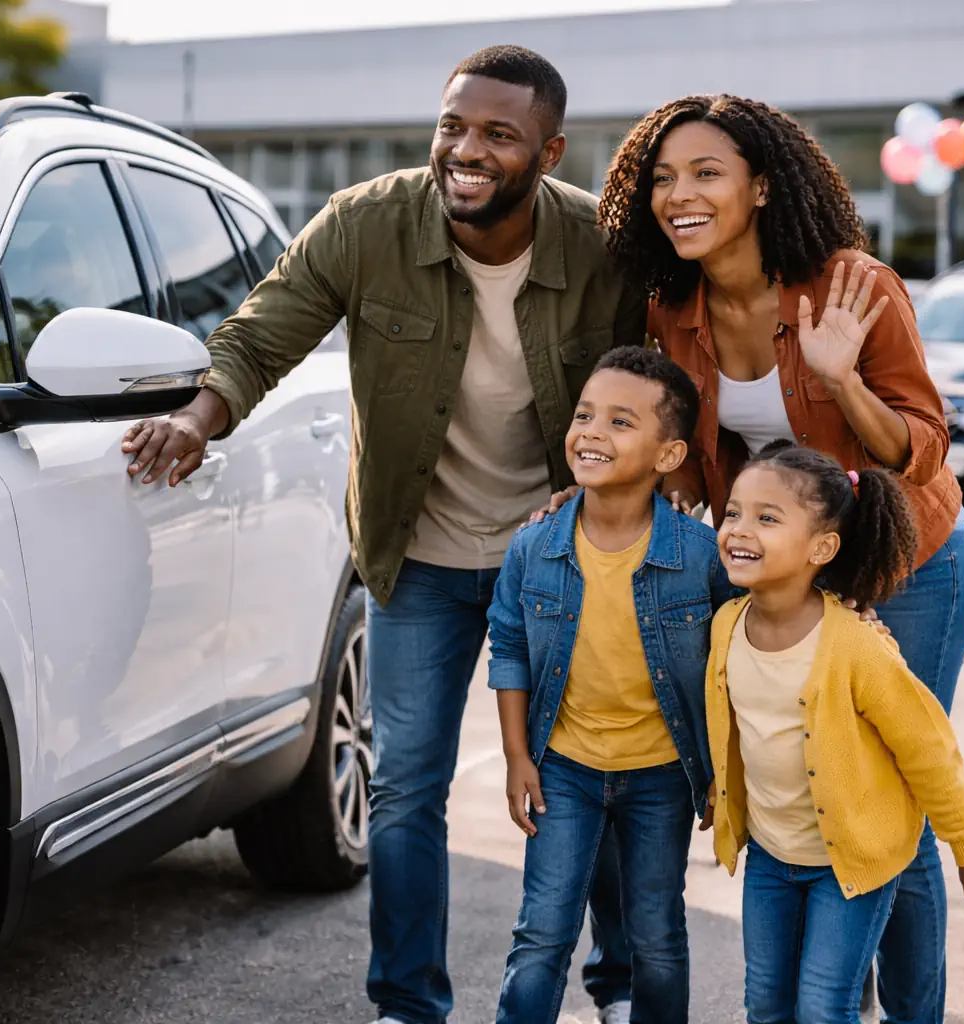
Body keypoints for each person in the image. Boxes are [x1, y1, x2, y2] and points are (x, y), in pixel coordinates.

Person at [120, 45, 647, 1024]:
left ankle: (617, 992)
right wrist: (198, 418)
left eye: (499, 134)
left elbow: (663, 375)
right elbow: (265, 329)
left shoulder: (598, 247)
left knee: (591, 784)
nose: (467, 150)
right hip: (422, 555)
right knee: (406, 787)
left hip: (563, 559)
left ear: (548, 150)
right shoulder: (367, 223)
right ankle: (408, 1002)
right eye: (454, 125)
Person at [595, 94, 964, 1023]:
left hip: (907, 566)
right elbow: (680, 444)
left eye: (705, 173)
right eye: (662, 179)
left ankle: (912, 1013)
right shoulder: (670, 306)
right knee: (797, 797)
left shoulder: (852, 285)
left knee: (893, 806)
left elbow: (918, 450)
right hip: (784, 576)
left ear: (763, 187)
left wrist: (843, 377)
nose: (677, 195)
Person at [707, 442, 964, 1023]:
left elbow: (928, 751)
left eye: (768, 518)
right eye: (734, 512)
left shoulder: (855, 647)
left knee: (825, 1008)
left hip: (852, 864)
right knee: (765, 1005)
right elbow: (733, 731)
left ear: (821, 547)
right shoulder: (727, 625)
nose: (739, 529)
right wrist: (716, 795)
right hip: (771, 855)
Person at [487, 347, 732, 1023]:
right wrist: (517, 758)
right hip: (563, 770)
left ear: (667, 454)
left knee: (656, 937)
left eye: (621, 422)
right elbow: (508, 650)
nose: (591, 431)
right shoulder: (534, 548)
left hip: (661, 777)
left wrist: (721, 772)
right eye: (585, 414)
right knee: (542, 935)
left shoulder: (697, 556)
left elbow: (732, 665)